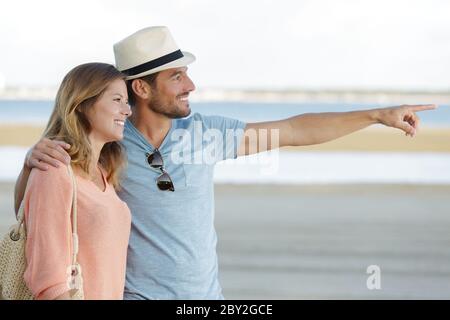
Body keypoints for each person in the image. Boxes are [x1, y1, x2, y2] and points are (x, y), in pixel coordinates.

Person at [14, 26, 437, 299]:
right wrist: (31, 164)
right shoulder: (112, 144)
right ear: (141, 87)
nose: (190, 86)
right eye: (176, 77)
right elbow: (41, 209)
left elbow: (293, 130)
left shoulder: (205, 135)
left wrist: (376, 116)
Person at [19, 62, 132, 299]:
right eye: (117, 100)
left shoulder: (104, 175)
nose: (127, 110)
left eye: (127, 101)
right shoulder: (54, 170)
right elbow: (49, 279)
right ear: (82, 103)